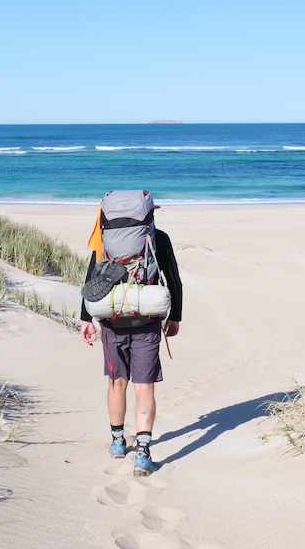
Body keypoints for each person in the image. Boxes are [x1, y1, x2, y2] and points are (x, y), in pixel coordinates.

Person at [79, 196, 182, 477]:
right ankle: (143, 453)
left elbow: (92, 281)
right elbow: (172, 278)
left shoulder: (105, 239)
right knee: (144, 386)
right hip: (147, 319)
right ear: (148, 216)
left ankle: (117, 443)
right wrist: (175, 316)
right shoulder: (158, 238)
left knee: (116, 382)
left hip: (112, 320)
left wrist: (86, 318)